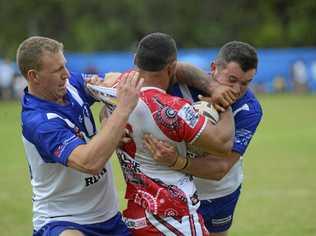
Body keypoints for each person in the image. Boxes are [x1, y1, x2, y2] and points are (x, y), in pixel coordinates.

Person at [100, 32, 235, 235]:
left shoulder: (114, 91)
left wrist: (106, 124)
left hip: (136, 212)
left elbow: (103, 99)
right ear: (171, 67)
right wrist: (224, 104)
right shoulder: (173, 110)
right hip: (173, 217)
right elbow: (223, 143)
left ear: (136, 60)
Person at [17, 36, 143, 236]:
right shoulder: (39, 122)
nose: (66, 74)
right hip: (63, 221)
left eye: (64, 66)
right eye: (57, 71)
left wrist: (105, 89)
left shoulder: (69, 86)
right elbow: (90, 163)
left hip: (109, 219)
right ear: (34, 76)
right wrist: (121, 111)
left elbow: (111, 79)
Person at [144, 41, 263, 236]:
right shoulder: (183, 84)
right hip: (174, 189)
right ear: (214, 68)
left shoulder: (249, 110)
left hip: (218, 193)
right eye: (232, 79)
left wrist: (176, 161)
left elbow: (220, 168)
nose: (237, 89)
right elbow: (174, 68)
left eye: (245, 83)